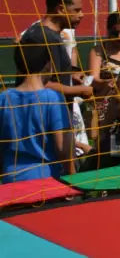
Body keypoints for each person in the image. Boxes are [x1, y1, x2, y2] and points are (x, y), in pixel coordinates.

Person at [0, 41, 75, 183]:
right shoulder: (52, 98)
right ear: (48, 65)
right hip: (45, 179)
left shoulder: (4, 98)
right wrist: (72, 178)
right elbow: (62, 147)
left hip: (11, 178)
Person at [86, 12, 120, 167]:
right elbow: (92, 79)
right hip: (105, 106)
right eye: (115, 33)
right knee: (108, 146)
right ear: (108, 31)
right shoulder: (98, 51)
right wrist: (105, 81)